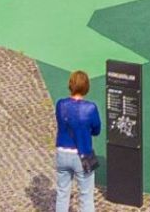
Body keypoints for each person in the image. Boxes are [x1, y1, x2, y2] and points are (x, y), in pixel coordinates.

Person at [53, 70, 103, 212]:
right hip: (84, 155)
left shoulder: (60, 104)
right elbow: (96, 130)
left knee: (62, 194)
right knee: (86, 196)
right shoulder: (90, 108)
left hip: (62, 152)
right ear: (86, 87)